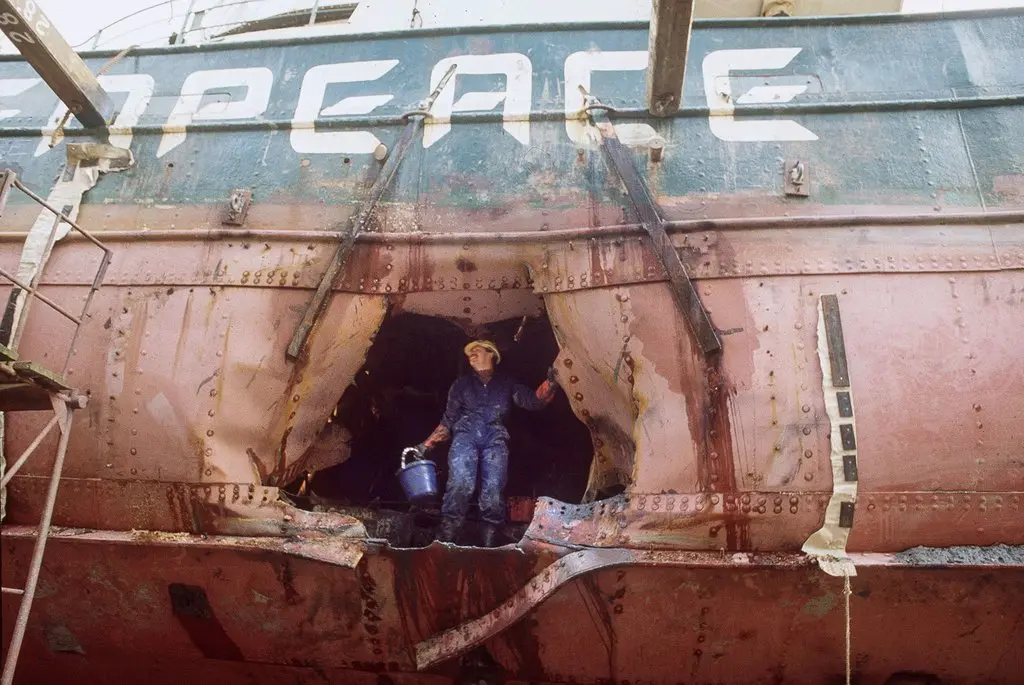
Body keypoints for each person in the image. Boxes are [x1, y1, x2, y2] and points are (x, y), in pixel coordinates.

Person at [409, 339, 559, 547]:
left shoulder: (506, 384)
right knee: (460, 484)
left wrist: (551, 382)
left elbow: (534, 401)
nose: (471, 355)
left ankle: (489, 542)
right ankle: (446, 538)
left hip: (494, 439)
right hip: (465, 437)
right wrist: (426, 445)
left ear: (492, 354)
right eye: (470, 353)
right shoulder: (461, 385)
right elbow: (448, 422)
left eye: (477, 351)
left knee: (493, 490)